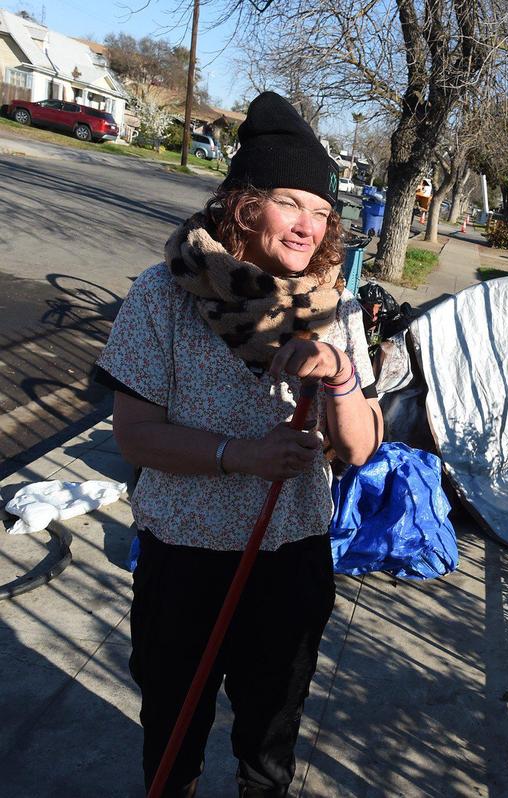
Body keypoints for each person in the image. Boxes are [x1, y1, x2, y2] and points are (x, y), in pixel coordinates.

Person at [96, 91, 383, 797]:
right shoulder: (164, 295)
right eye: (292, 203)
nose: (308, 227)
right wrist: (240, 456)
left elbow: (363, 449)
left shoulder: (334, 306)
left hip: (292, 559)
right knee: (174, 725)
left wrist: (341, 373)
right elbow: (133, 436)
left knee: (271, 740)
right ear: (246, 205)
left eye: (322, 212)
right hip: (186, 559)